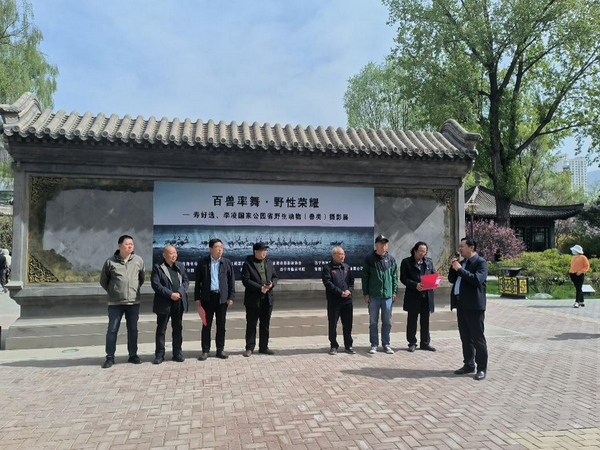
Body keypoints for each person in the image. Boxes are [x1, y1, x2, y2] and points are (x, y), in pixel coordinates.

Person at [99, 235, 146, 369]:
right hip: (115, 303)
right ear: (119, 246)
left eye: (132, 244)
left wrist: (133, 290)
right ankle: (110, 357)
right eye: (127, 244)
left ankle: (133, 355)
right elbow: (104, 281)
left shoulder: (138, 261)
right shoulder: (110, 262)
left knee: (133, 330)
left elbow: (141, 278)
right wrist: (114, 291)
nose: (130, 246)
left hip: (133, 302)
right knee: (112, 330)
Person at [449, 237, 488, 381]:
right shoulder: (463, 262)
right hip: (461, 305)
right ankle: (468, 364)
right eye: (459, 246)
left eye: (462, 246)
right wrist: (454, 266)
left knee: (477, 338)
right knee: (465, 337)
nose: (460, 249)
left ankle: (481, 368)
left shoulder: (480, 262)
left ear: (472, 248)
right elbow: (452, 279)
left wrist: (460, 269)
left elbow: (476, 280)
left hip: (474, 306)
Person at [194, 238, 235, 360]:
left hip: (222, 299)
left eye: (221, 247)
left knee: (221, 325)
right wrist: (197, 298)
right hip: (207, 298)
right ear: (210, 249)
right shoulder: (203, 263)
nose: (220, 249)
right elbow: (198, 282)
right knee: (206, 325)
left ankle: (220, 349)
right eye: (217, 247)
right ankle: (205, 350)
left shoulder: (227, 263)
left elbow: (231, 281)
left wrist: (231, 297)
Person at [150, 245, 189, 364]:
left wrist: (180, 293)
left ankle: (177, 353)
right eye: (171, 253)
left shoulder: (180, 266)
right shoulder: (158, 267)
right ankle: (159, 354)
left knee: (177, 328)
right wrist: (170, 294)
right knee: (161, 330)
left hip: (178, 302)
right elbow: (156, 285)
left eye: (175, 253)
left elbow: (186, 281)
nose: (174, 255)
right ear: (164, 255)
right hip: (164, 303)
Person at [362, 235, 398, 354]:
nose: (383, 246)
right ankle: (374, 344)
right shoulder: (369, 259)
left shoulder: (391, 259)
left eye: (385, 243)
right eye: (381, 243)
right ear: (376, 245)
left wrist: (394, 292)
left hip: (387, 296)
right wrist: (366, 293)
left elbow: (394, 277)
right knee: (373, 321)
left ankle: (386, 344)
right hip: (373, 296)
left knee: (387, 321)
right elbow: (365, 278)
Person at [241, 242, 278, 357]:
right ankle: (249, 347)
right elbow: (246, 280)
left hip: (267, 298)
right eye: (262, 251)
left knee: (265, 324)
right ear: (255, 252)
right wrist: (260, 288)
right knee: (251, 324)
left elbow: (275, 277)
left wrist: (271, 284)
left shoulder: (268, 262)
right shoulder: (248, 264)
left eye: (265, 250)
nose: (264, 253)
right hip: (253, 299)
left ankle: (264, 347)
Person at [400, 241, 437, 353]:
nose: (422, 253)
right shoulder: (406, 262)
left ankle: (425, 343)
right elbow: (403, 278)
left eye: (424, 252)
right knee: (412, 320)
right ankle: (412, 342)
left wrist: (434, 282)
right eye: (420, 251)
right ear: (415, 250)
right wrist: (415, 285)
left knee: (425, 321)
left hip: (426, 296)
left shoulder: (429, 262)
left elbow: (434, 275)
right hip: (413, 295)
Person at [322, 247, 355, 355]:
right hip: (334, 301)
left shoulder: (347, 267)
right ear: (334, 255)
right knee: (333, 325)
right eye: (340, 254)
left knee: (348, 324)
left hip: (347, 301)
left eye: (343, 254)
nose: (342, 256)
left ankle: (348, 345)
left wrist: (349, 290)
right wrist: (340, 292)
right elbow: (328, 283)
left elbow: (351, 281)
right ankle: (333, 345)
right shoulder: (327, 268)